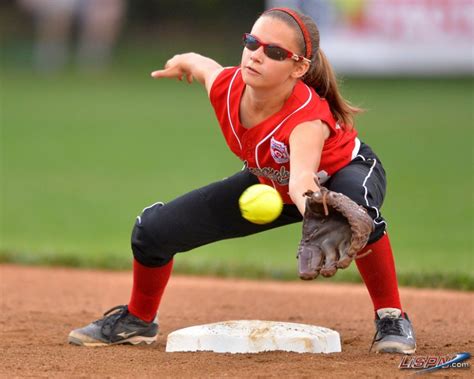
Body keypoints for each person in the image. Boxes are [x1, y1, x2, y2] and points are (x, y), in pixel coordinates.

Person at [68, 7, 416, 354]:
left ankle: (392, 317)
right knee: (152, 231)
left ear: (299, 68)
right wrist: (183, 60)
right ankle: (138, 321)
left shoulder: (306, 119)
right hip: (269, 183)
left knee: (357, 215)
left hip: (339, 175)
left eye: (275, 52)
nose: (257, 55)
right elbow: (204, 66)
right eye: (252, 42)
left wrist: (314, 204)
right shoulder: (228, 87)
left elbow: (302, 177)